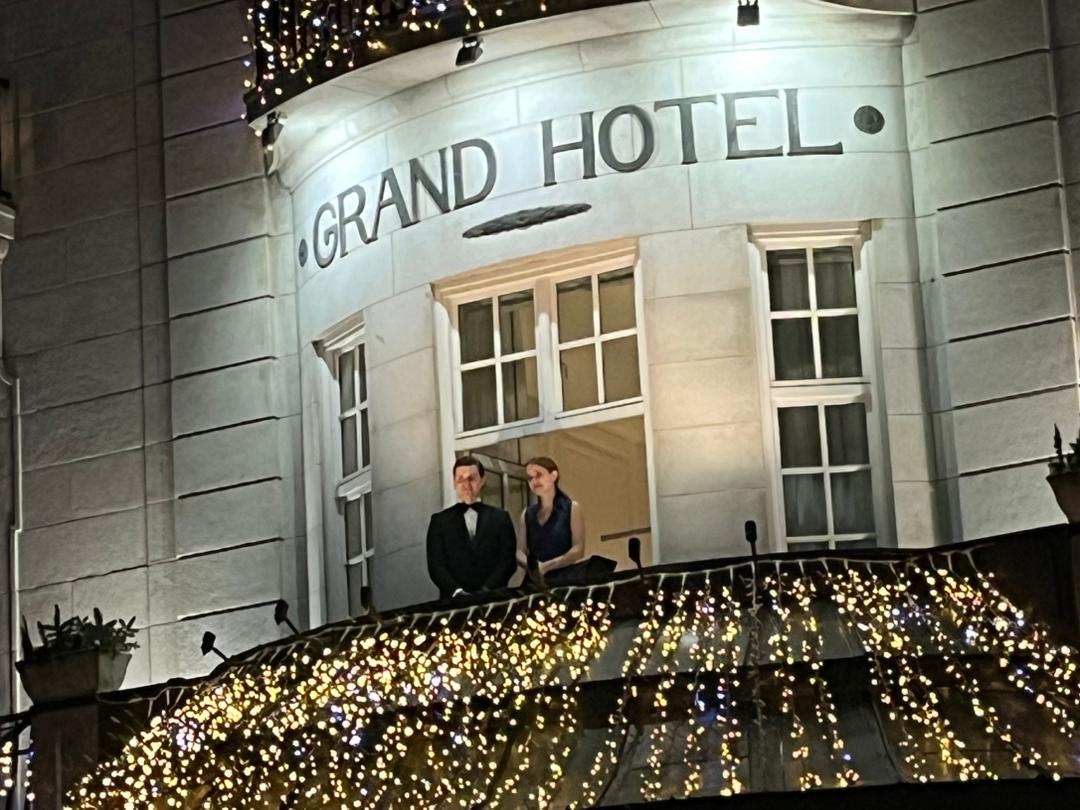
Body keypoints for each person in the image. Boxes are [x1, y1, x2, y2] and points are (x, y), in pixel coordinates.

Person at [426, 455, 517, 600]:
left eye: (471, 478)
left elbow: (508, 561)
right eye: (460, 479)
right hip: (453, 603)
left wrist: (486, 590)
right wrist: (457, 592)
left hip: (494, 600)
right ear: (454, 483)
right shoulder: (439, 521)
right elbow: (436, 565)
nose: (466, 484)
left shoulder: (501, 518)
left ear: (482, 480)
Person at [517, 456, 586, 586]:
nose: (534, 481)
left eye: (538, 475)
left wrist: (546, 566)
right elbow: (519, 551)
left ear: (553, 475)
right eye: (530, 478)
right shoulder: (527, 514)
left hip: (565, 579)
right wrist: (534, 568)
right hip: (535, 582)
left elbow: (578, 549)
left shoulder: (572, 508)